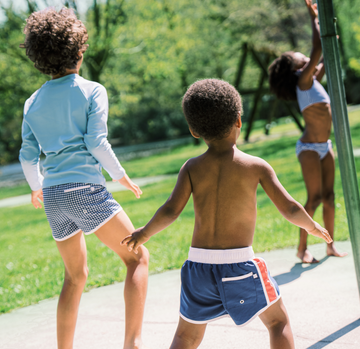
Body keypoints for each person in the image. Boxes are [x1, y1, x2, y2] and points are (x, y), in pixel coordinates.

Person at [121, 78, 333, 349]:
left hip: (197, 268)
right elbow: (290, 208)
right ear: (238, 121)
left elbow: (171, 210)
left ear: (194, 131)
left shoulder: (191, 167)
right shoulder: (255, 166)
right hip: (238, 265)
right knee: (277, 322)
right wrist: (312, 226)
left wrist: (144, 233)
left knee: (186, 336)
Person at [19, 8, 149, 349]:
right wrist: (120, 175)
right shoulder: (92, 90)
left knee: (75, 277)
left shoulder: (31, 103)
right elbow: (96, 141)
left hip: (54, 197)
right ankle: (132, 343)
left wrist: (36, 189)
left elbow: (27, 155)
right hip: (85, 190)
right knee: (137, 258)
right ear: (80, 49)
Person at [268, 0, 347, 263]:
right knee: (313, 198)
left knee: (330, 196)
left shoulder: (311, 80)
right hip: (309, 148)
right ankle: (302, 249)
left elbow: (325, 55)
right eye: (299, 56)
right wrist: (313, 17)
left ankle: (330, 245)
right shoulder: (303, 81)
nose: (304, 55)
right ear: (296, 68)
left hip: (325, 146)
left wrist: (331, 38)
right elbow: (316, 48)